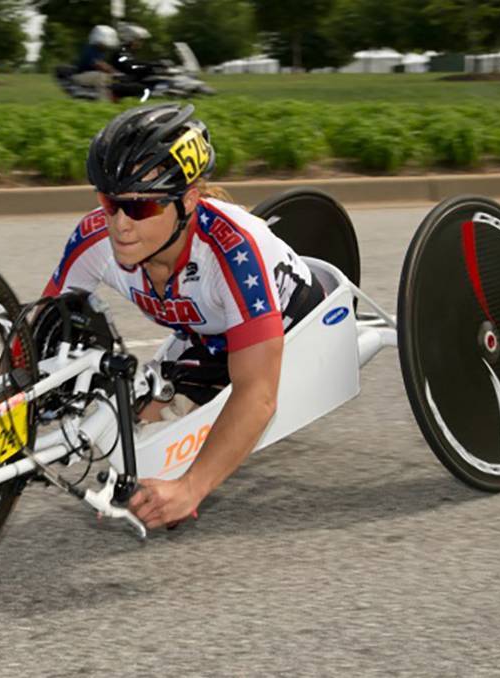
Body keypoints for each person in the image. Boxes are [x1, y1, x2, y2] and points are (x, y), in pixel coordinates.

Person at [42, 104, 326, 530]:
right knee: (117, 433)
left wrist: (191, 488)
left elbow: (258, 396)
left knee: (155, 465)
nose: (120, 224)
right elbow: (36, 333)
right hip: (205, 336)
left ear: (188, 200)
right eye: (110, 201)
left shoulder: (232, 254)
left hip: (290, 323)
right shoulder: (95, 239)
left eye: (141, 209)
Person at [73, 25, 121, 101]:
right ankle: (104, 102)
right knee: (102, 77)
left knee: (109, 79)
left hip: (90, 75)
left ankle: (116, 100)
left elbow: (104, 65)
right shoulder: (90, 49)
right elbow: (99, 65)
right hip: (80, 76)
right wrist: (115, 72)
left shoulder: (100, 51)